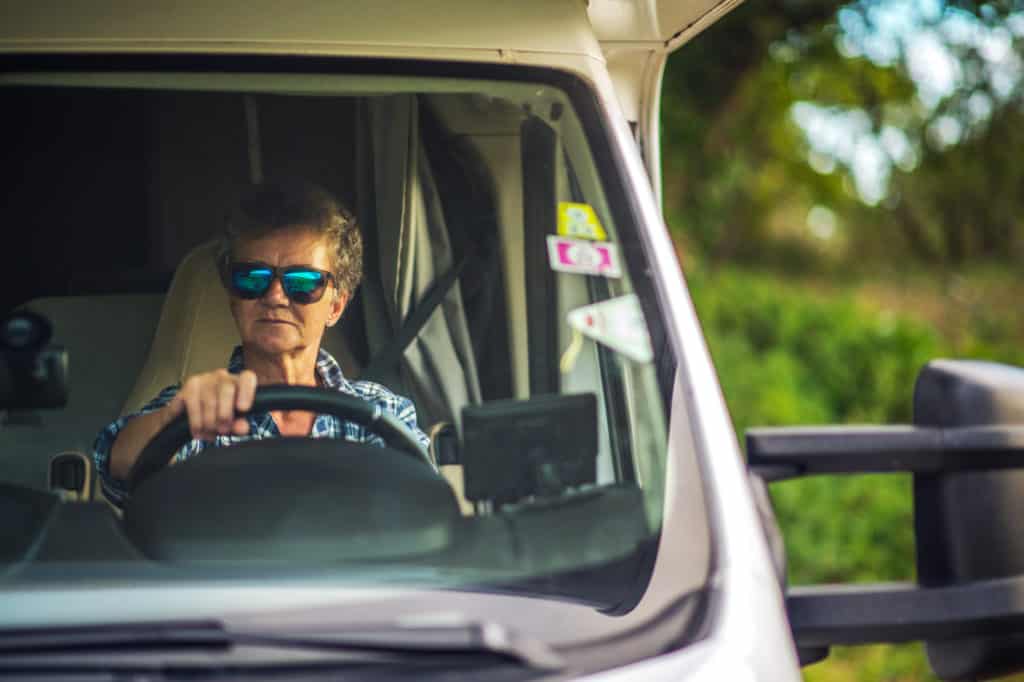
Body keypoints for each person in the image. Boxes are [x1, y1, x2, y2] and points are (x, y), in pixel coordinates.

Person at [93, 180, 430, 507]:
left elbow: (422, 510)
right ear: (232, 298)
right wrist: (174, 419)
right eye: (252, 278)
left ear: (336, 306)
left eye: (302, 282)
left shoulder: (382, 413)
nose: (275, 296)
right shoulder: (198, 407)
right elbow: (119, 466)